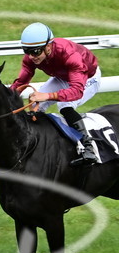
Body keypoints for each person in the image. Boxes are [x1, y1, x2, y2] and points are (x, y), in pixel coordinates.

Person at [9, 22, 102, 166]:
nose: (31, 56)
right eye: (27, 51)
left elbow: (77, 91)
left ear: (48, 46)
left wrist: (47, 96)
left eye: (35, 52)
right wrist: (6, 98)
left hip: (87, 78)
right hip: (62, 77)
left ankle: (89, 148)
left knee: (65, 106)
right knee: (35, 106)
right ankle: (36, 146)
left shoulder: (70, 54)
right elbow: (21, 82)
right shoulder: (31, 57)